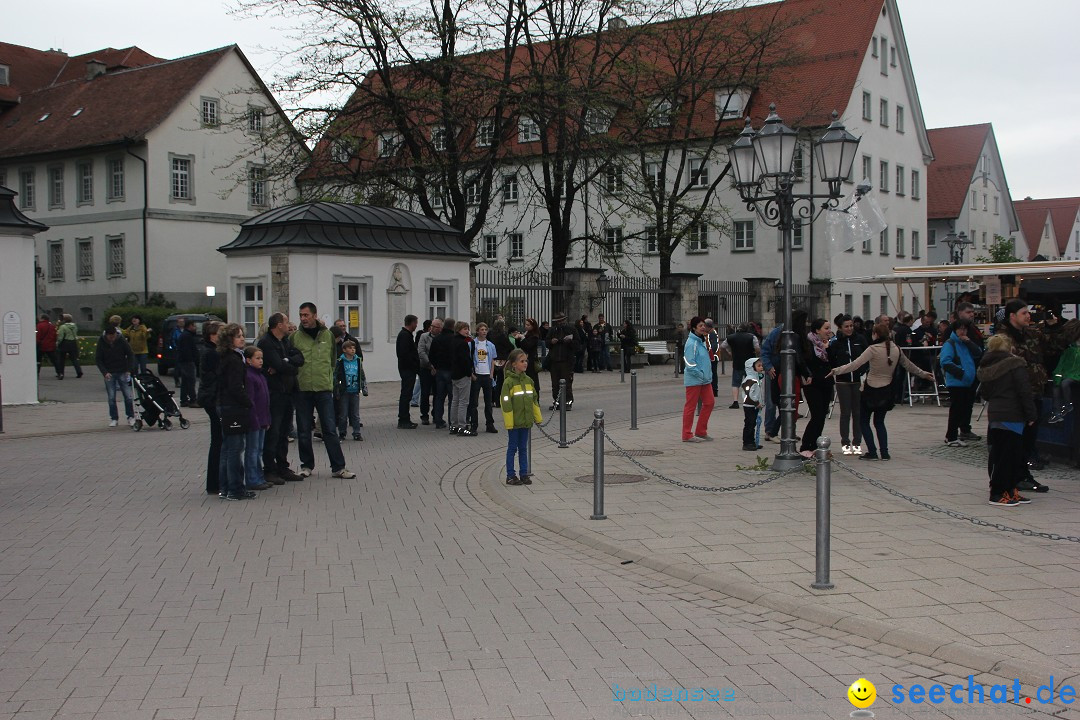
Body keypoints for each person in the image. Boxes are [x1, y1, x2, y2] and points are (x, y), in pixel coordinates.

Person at [829, 321, 933, 460]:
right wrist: (924, 373)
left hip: (871, 389)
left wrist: (836, 370)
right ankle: (884, 452)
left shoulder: (873, 349)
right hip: (887, 389)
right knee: (879, 422)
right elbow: (909, 365)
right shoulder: (896, 348)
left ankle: (872, 451)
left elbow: (855, 364)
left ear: (875, 334)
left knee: (864, 421)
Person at [291, 302, 356, 479]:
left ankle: (338, 467)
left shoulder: (327, 335)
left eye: (306, 315)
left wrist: (329, 380)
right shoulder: (295, 337)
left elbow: (332, 360)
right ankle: (306, 465)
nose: (303, 318)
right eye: (301, 315)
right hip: (303, 388)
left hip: (323, 388)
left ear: (314, 315)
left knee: (329, 428)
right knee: (304, 429)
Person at [995, 299, 1050, 490]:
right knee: (1014, 441)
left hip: (1034, 392)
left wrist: (1055, 325)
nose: (1028, 316)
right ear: (1012, 316)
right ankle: (1010, 480)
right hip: (1015, 397)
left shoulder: (1031, 334)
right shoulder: (1003, 338)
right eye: (1024, 313)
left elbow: (1053, 345)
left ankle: (1022, 474)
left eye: (1028, 313)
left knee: (1029, 439)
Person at [978, 334, 1037, 507]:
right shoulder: (1015, 364)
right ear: (1009, 347)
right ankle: (998, 492)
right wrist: (1031, 414)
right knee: (1010, 455)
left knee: (1001, 453)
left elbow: (985, 393)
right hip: (1013, 414)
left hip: (996, 413)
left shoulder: (986, 366)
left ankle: (1009, 490)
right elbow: (1024, 391)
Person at [257, 313, 304, 484]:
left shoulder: (285, 341)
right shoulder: (266, 343)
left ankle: (283, 466)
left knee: (284, 432)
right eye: (285, 322)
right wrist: (285, 365)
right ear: (278, 325)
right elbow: (277, 365)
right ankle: (269, 468)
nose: (288, 324)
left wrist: (286, 362)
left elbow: (299, 360)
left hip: (288, 392)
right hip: (274, 393)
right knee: (273, 433)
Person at [216, 323, 255, 501]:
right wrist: (248, 402)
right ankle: (235, 489)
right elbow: (235, 386)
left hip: (227, 405)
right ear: (229, 340)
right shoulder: (233, 360)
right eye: (238, 336)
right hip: (233, 407)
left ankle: (225, 488)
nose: (242, 339)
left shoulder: (228, 357)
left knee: (228, 448)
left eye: (242, 335)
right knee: (235, 449)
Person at [501, 348, 543, 486]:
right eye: (522, 361)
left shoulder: (529, 381)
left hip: (525, 421)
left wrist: (537, 418)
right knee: (512, 448)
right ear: (514, 364)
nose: (525, 363)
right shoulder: (508, 382)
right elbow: (506, 403)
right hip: (514, 423)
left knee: (523, 448)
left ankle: (524, 473)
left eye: (526, 361)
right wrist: (509, 422)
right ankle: (510, 475)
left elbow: (534, 400)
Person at [828, 315, 867, 456]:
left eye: (851, 326)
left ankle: (857, 443)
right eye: (846, 326)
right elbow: (832, 361)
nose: (850, 328)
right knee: (845, 413)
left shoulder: (860, 339)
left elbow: (866, 357)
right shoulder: (836, 343)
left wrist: (863, 372)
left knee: (858, 412)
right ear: (841, 328)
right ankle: (845, 442)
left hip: (857, 380)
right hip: (843, 381)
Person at [940, 319, 983, 446]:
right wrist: (962, 373)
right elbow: (945, 362)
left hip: (967, 382)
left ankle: (956, 434)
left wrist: (969, 342)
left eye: (965, 329)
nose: (963, 331)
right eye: (960, 329)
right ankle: (951, 436)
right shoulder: (950, 343)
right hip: (957, 382)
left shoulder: (965, 343)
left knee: (963, 409)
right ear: (955, 329)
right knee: (956, 410)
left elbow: (978, 353)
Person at [799, 318, 834, 457]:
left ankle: (815, 445)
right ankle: (805, 445)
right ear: (817, 330)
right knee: (817, 415)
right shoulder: (808, 343)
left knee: (822, 416)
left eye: (829, 328)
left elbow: (833, 362)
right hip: (812, 383)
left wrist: (828, 349)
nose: (829, 331)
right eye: (826, 328)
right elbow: (805, 361)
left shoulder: (828, 344)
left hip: (826, 382)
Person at [198, 321, 224, 495]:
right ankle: (215, 482)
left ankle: (215, 482)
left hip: (211, 397)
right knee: (218, 441)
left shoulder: (210, 351)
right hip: (213, 399)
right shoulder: (212, 353)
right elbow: (218, 376)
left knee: (218, 440)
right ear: (213, 336)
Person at [243, 345, 273, 491]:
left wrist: (267, 419)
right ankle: (252, 479)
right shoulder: (249, 376)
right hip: (254, 420)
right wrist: (254, 419)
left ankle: (259, 476)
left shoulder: (260, 375)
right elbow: (251, 401)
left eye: (261, 358)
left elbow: (265, 400)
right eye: (257, 358)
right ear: (248, 360)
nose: (261, 361)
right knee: (252, 450)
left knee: (259, 449)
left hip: (262, 418)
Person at [682, 316, 715, 442]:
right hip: (695, 380)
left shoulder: (702, 341)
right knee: (690, 406)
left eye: (704, 325)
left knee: (710, 403)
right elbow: (689, 363)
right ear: (694, 327)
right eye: (700, 325)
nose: (703, 327)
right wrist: (700, 374)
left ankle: (701, 431)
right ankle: (686, 434)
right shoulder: (691, 343)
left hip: (705, 379)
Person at [95, 326, 135, 428]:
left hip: (122, 371)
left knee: (128, 396)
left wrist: (128, 370)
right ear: (106, 335)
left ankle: (130, 417)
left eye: (114, 336)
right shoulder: (102, 342)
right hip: (109, 372)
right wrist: (105, 372)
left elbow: (130, 354)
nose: (112, 338)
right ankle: (114, 418)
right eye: (110, 337)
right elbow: (98, 359)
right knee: (111, 397)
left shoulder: (121, 340)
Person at [468, 322, 498, 434]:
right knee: (474, 402)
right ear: (477, 331)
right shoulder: (472, 344)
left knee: (488, 401)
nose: (484, 331)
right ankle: (473, 424)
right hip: (477, 374)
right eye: (481, 329)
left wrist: (491, 374)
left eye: (485, 329)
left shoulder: (490, 345)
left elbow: (492, 360)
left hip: (487, 375)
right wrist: (472, 374)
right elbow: (469, 360)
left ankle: (489, 424)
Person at [721, 323, 760, 409]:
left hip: (737, 363)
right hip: (750, 363)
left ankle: (735, 402)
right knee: (751, 381)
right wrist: (757, 356)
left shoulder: (731, 337)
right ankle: (751, 400)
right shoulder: (752, 337)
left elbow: (722, 346)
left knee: (735, 383)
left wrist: (729, 353)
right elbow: (757, 348)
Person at [335, 339, 367, 440]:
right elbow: (336, 375)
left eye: (354, 348)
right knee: (343, 414)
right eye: (350, 348)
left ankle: (356, 433)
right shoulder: (340, 361)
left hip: (355, 390)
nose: (353, 350)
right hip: (344, 390)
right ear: (344, 350)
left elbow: (362, 374)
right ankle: (342, 432)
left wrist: (363, 387)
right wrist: (336, 388)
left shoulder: (358, 360)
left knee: (355, 414)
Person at [1050, 319, 1080, 423]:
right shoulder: (1069, 350)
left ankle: (1064, 407)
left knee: (1063, 384)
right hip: (1070, 376)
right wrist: (1058, 375)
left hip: (1073, 378)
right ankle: (1057, 412)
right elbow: (1062, 364)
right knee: (1059, 385)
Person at [546, 312, 578, 411]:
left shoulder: (571, 329)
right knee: (555, 384)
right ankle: (557, 402)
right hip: (554, 361)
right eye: (558, 321)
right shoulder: (552, 330)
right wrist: (551, 342)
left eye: (561, 320)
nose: (560, 323)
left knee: (567, 383)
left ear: (564, 320)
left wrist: (570, 342)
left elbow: (578, 344)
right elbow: (546, 342)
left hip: (566, 361)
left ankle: (568, 402)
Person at [429, 317, 456, 429]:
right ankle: (451, 421)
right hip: (451, 370)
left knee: (439, 397)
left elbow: (431, 355)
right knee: (451, 398)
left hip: (440, 370)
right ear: (453, 326)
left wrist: (435, 365)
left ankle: (438, 420)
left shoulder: (437, 339)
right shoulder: (454, 339)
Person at [449, 321, 474, 435]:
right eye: (465, 329)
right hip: (463, 375)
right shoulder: (462, 343)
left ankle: (453, 425)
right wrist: (469, 373)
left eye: (467, 329)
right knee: (463, 402)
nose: (467, 331)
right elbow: (465, 361)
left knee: (455, 401)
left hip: (454, 374)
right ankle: (462, 426)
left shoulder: (452, 341)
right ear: (459, 329)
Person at [395, 314, 420, 429]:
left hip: (406, 368)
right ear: (411, 323)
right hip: (407, 369)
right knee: (406, 394)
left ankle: (405, 417)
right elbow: (405, 354)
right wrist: (414, 365)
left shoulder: (405, 335)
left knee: (407, 393)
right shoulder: (405, 336)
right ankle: (403, 419)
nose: (416, 325)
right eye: (415, 323)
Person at [417, 318, 442, 425]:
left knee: (437, 393)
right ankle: (424, 415)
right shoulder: (424, 336)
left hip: (438, 369)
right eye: (432, 326)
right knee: (425, 392)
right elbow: (421, 352)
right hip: (425, 368)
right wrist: (430, 365)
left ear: (440, 328)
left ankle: (436, 415)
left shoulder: (441, 338)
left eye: (435, 327)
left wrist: (436, 367)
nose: (432, 328)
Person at [740, 357, 764, 451]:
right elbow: (749, 394)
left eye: (761, 365)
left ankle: (752, 442)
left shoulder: (756, 378)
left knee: (753, 423)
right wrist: (756, 402)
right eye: (758, 366)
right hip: (750, 406)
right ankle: (747, 443)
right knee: (749, 424)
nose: (761, 367)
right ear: (751, 367)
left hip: (753, 405)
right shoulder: (750, 380)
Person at [176, 319, 200, 407]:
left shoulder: (185, 335)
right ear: (190, 326)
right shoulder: (187, 336)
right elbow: (187, 350)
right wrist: (193, 359)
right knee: (190, 381)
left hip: (184, 361)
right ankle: (193, 400)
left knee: (185, 382)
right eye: (194, 326)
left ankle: (184, 400)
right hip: (188, 361)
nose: (195, 328)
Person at [516, 318, 542, 396]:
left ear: (533, 326)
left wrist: (523, 338)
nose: (526, 326)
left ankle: (535, 397)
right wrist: (518, 339)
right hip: (524, 359)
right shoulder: (526, 334)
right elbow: (520, 346)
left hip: (531, 360)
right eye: (526, 324)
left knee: (532, 379)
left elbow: (528, 346)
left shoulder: (534, 336)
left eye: (528, 325)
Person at [56, 314, 82, 379]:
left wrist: (57, 343)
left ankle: (61, 373)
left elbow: (60, 337)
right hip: (73, 342)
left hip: (64, 343)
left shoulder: (62, 327)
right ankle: (79, 371)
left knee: (61, 359)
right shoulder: (75, 326)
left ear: (64, 320)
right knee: (74, 358)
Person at [704, 319, 721, 398]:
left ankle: (714, 390)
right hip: (712, 356)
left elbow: (714, 346)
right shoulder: (710, 333)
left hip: (713, 357)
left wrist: (710, 354)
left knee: (713, 373)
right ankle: (712, 389)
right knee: (712, 373)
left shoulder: (712, 333)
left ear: (708, 326)